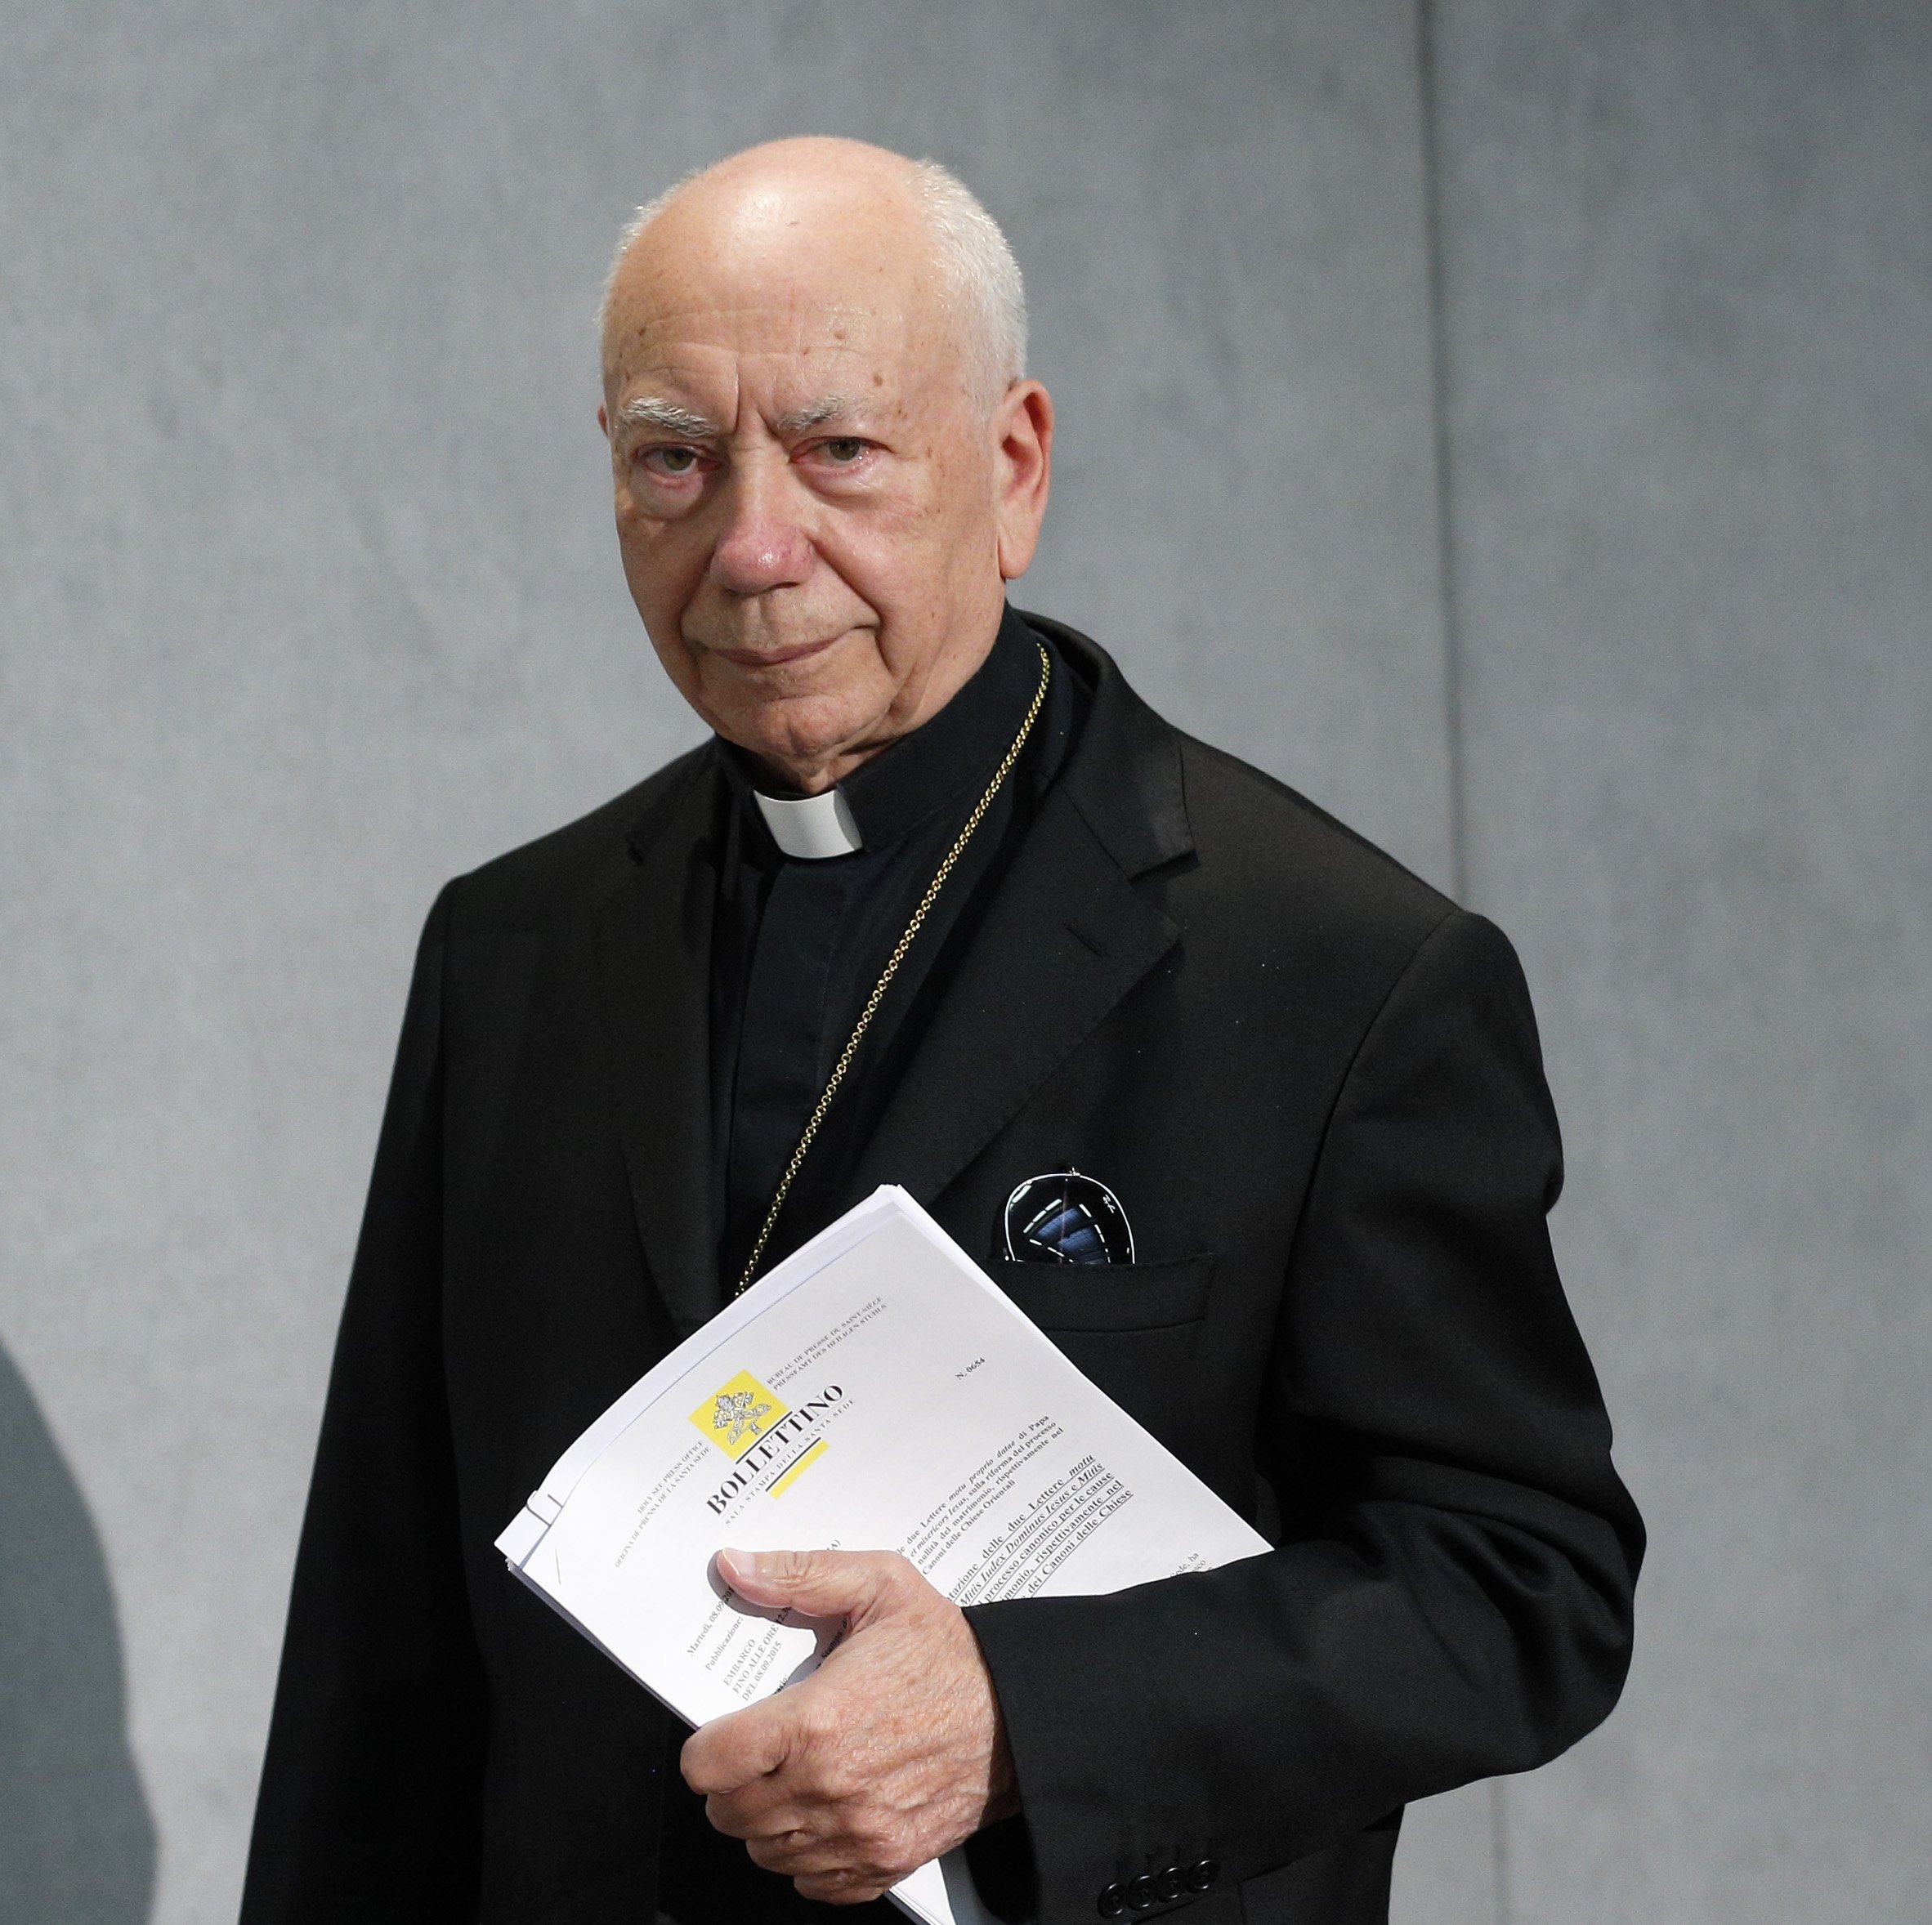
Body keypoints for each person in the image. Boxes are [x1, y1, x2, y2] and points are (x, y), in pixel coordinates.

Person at [240, 137, 1639, 1925]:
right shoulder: (511, 944)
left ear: (1009, 464)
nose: (749, 546)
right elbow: (384, 1644)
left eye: (837, 449)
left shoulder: (1334, 968)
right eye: (674, 455)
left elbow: (1520, 1579)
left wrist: (1017, 1714)